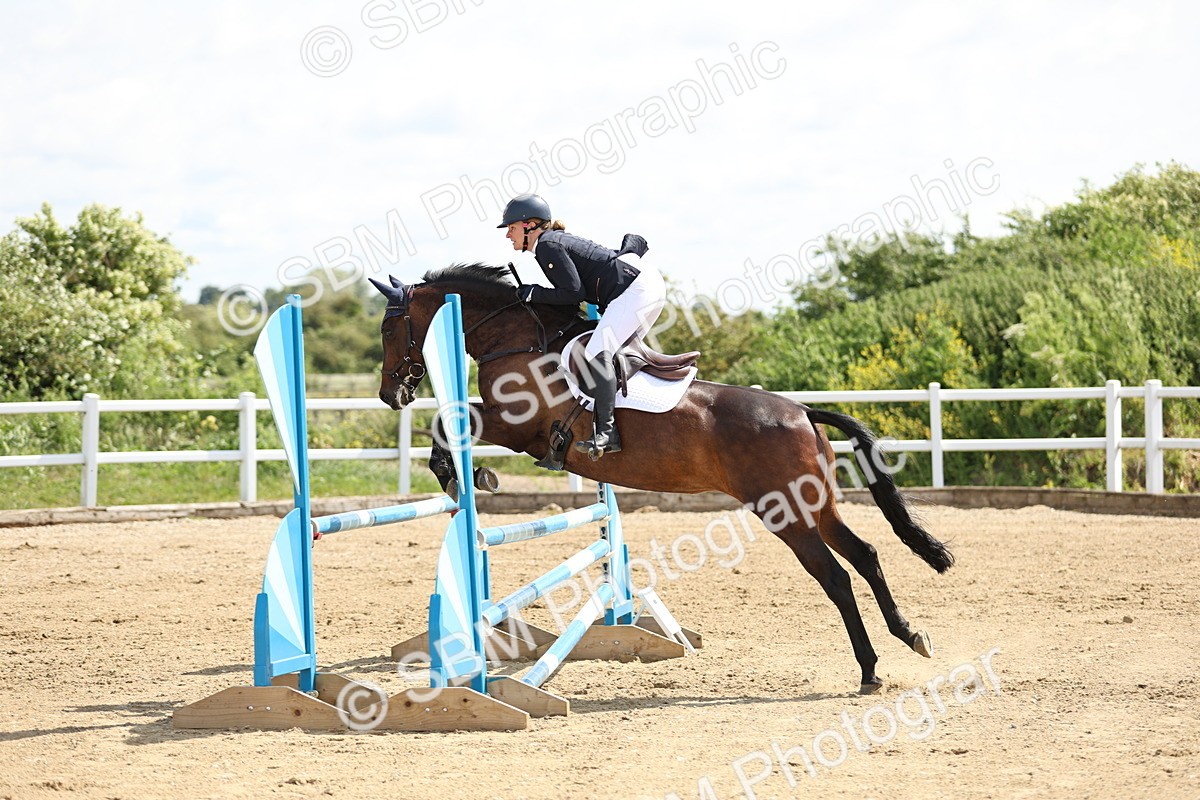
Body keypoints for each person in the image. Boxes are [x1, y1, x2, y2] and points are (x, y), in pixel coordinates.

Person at [498, 193, 666, 460]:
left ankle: (607, 433)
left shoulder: (547, 246)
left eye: (512, 228)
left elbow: (573, 293)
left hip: (636, 290)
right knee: (617, 357)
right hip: (644, 286)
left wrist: (533, 293)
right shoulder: (551, 243)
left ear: (529, 225)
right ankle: (638, 421)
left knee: (597, 352)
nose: (508, 235)